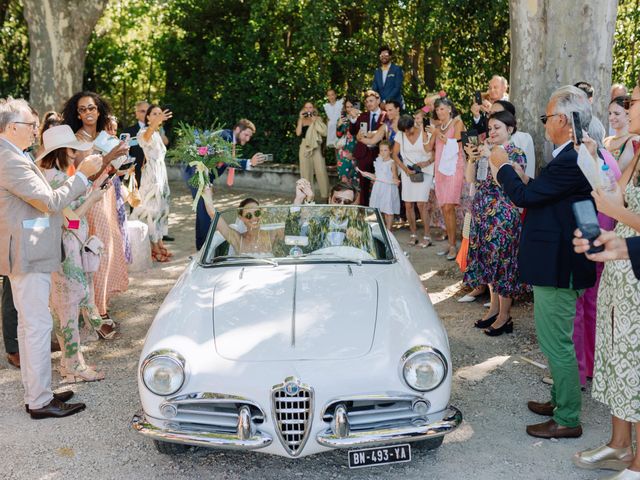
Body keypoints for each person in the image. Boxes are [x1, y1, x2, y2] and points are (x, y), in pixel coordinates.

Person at [489, 85, 596, 439]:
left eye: (547, 117)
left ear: (563, 120)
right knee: (555, 341)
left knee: (557, 344)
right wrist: (526, 179)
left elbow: (524, 198)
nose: (544, 124)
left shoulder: (571, 158)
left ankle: (567, 418)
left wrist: (502, 167)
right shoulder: (569, 156)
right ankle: (559, 400)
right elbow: (546, 195)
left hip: (559, 267)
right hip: (556, 261)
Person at [0, 97, 104, 418]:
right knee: (36, 325)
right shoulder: (8, 157)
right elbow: (48, 201)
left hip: (30, 246)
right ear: (12, 128)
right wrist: (83, 176)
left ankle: (40, 392)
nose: (35, 131)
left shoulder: (14, 154)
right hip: (26, 250)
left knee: (33, 325)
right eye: (31, 126)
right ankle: (41, 401)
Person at [571, 79, 640, 478]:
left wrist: (610, 207)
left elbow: (624, 207)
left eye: (635, 101)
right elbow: (620, 193)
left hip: (635, 265)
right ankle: (618, 443)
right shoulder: (635, 147)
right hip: (621, 259)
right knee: (616, 351)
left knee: (636, 357)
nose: (628, 106)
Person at [36, 125, 109, 382]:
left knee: (60, 307)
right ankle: (74, 367)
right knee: (67, 307)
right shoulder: (56, 178)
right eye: (72, 149)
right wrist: (93, 200)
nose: (75, 154)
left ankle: (70, 364)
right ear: (64, 151)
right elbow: (71, 220)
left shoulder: (47, 175)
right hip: (66, 250)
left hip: (57, 249)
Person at [62, 92, 130, 324]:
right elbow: (85, 171)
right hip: (88, 199)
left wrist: (121, 160)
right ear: (77, 114)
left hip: (107, 193)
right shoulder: (76, 139)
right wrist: (111, 155)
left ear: (98, 111)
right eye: (82, 109)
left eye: (91, 108)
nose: (88, 112)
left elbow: (109, 168)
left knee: (109, 247)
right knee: (94, 249)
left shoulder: (104, 135)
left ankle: (102, 302)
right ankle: (97, 312)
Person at [463, 111, 529, 336]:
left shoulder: (515, 153)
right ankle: (493, 308)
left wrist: (491, 155)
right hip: (483, 213)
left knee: (503, 265)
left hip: (502, 216)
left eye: (497, 127)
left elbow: (505, 183)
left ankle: (505, 316)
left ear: (510, 129)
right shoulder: (485, 151)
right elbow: (471, 179)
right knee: (489, 263)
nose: (492, 132)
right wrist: (472, 157)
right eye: (490, 128)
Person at [186, 119, 265, 250]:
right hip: (198, 176)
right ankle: (205, 249)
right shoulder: (225, 136)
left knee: (202, 213)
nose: (248, 138)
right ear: (238, 130)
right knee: (205, 213)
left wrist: (209, 181)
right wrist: (249, 162)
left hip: (203, 177)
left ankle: (201, 248)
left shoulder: (228, 137)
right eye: (246, 134)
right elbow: (226, 159)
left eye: (250, 136)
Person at [130, 104, 173, 262]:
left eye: (160, 114)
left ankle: (159, 242)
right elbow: (146, 138)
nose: (157, 116)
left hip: (162, 175)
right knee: (150, 210)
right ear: (147, 117)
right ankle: (153, 246)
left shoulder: (157, 134)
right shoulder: (143, 132)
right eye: (154, 114)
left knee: (161, 210)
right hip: (151, 176)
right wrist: (157, 122)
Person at [425, 97, 465, 260]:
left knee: (449, 206)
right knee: (444, 207)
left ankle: (454, 246)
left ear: (449, 108)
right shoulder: (437, 127)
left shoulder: (457, 123)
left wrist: (436, 132)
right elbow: (428, 148)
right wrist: (425, 133)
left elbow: (456, 144)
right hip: (440, 168)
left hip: (454, 167)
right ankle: (451, 244)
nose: (439, 112)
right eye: (437, 109)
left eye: (442, 108)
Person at [394, 114, 434, 247]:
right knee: (408, 204)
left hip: (425, 170)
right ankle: (413, 234)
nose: (406, 132)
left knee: (421, 205)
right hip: (408, 171)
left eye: (408, 129)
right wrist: (404, 169)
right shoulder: (401, 134)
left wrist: (427, 162)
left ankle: (427, 236)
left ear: (413, 125)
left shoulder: (424, 132)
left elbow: (434, 152)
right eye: (403, 130)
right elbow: (394, 154)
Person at [349, 90, 386, 205]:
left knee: (382, 183)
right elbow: (353, 131)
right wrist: (353, 119)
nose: (369, 103)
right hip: (364, 154)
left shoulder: (385, 115)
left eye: (371, 101)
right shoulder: (362, 116)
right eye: (366, 102)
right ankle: (363, 211)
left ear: (378, 100)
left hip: (380, 154)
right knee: (363, 185)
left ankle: (382, 211)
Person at [360, 141, 400, 229]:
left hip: (388, 188)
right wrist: (367, 174)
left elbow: (395, 177)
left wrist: (396, 181)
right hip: (378, 187)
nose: (382, 152)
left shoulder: (392, 163)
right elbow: (377, 176)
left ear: (390, 151)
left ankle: (389, 230)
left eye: (385, 150)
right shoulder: (378, 161)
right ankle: (382, 228)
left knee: (388, 210)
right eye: (381, 150)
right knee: (379, 209)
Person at [296, 101, 329, 200]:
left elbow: (324, 132)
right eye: (306, 108)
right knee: (305, 172)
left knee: (321, 171)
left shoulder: (318, 119)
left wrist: (315, 121)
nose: (308, 109)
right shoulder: (301, 120)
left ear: (313, 109)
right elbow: (298, 133)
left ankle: (326, 196)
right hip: (304, 146)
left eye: (310, 107)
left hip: (316, 146)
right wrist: (301, 120)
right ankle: (308, 196)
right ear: (304, 109)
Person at [605, 95, 639, 172]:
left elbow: (617, 172)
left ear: (629, 114)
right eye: (610, 113)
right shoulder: (606, 140)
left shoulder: (633, 140)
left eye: (616, 114)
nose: (611, 118)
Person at [122, 100, 148, 189]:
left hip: (153, 172)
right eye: (142, 111)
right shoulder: (128, 132)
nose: (146, 114)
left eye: (148, 111)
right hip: (135, 174)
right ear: (136, 114)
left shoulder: (157, 131)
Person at [335, 97, 359, 188]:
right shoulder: (343, 118)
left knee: (356, 180)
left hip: (356, 151)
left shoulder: (361, 117)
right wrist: (339, 125)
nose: (349, 109)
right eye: (347, 107)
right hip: (343, 153)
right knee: (344, 179)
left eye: (351, 106)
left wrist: (355, 153)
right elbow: (338, 135)